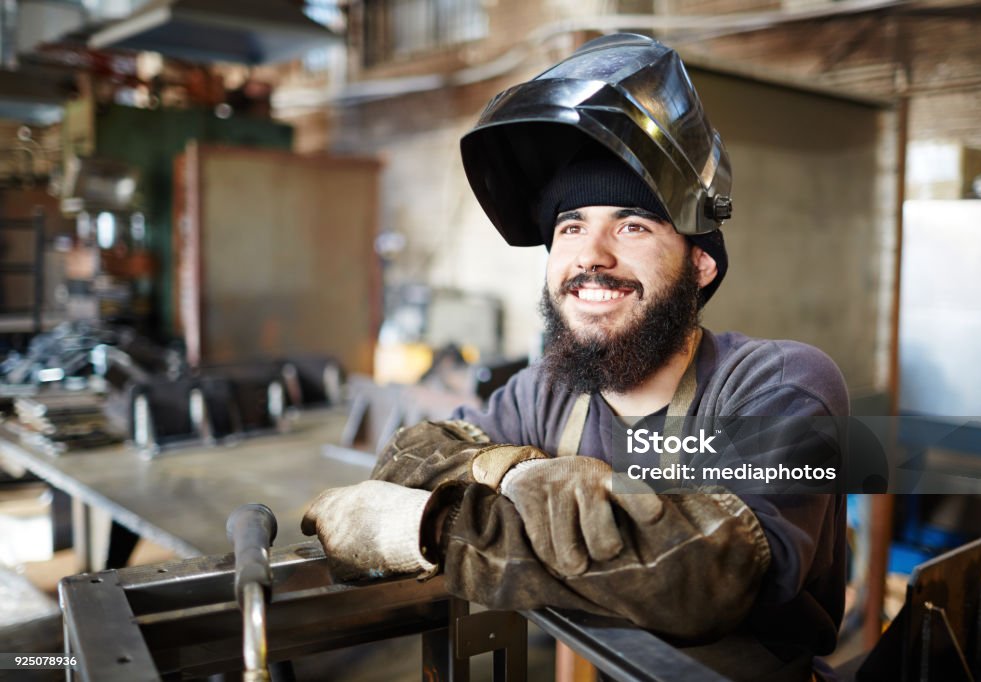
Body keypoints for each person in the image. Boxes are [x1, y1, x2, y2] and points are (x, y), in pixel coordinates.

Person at [302, 33, 848, 682]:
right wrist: (506, 468)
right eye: (570, 227)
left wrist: (437, 527)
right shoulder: (546, 394)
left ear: (700, 263)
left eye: (632, 225)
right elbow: (415, 455)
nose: (591, 255)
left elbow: (708, 575)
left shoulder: (779, 384)